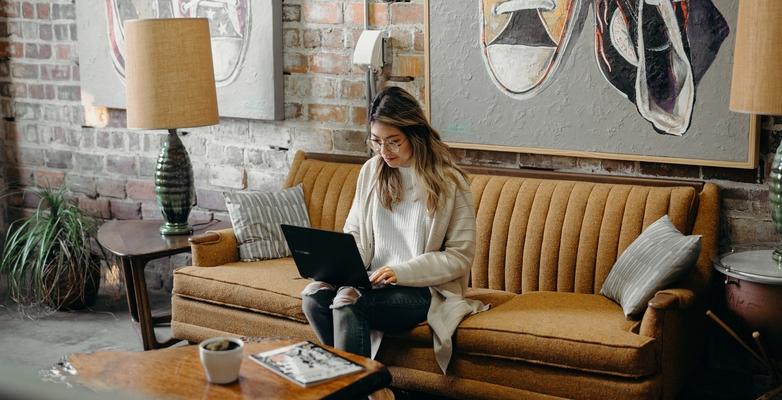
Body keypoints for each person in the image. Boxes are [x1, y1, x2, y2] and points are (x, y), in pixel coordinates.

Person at [301, 86, 488, 375]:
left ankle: (357, 387)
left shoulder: (450, 182)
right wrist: (338, 268)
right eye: (376, 142)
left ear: (414, 135)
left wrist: (402, 271)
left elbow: (460, 256)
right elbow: (356, 234)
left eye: (393, 142)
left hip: (423, 289)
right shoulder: (371, 171)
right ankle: (356, 387)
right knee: (314, 297)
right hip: (372, 283)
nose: (384, 152)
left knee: (349, 302)